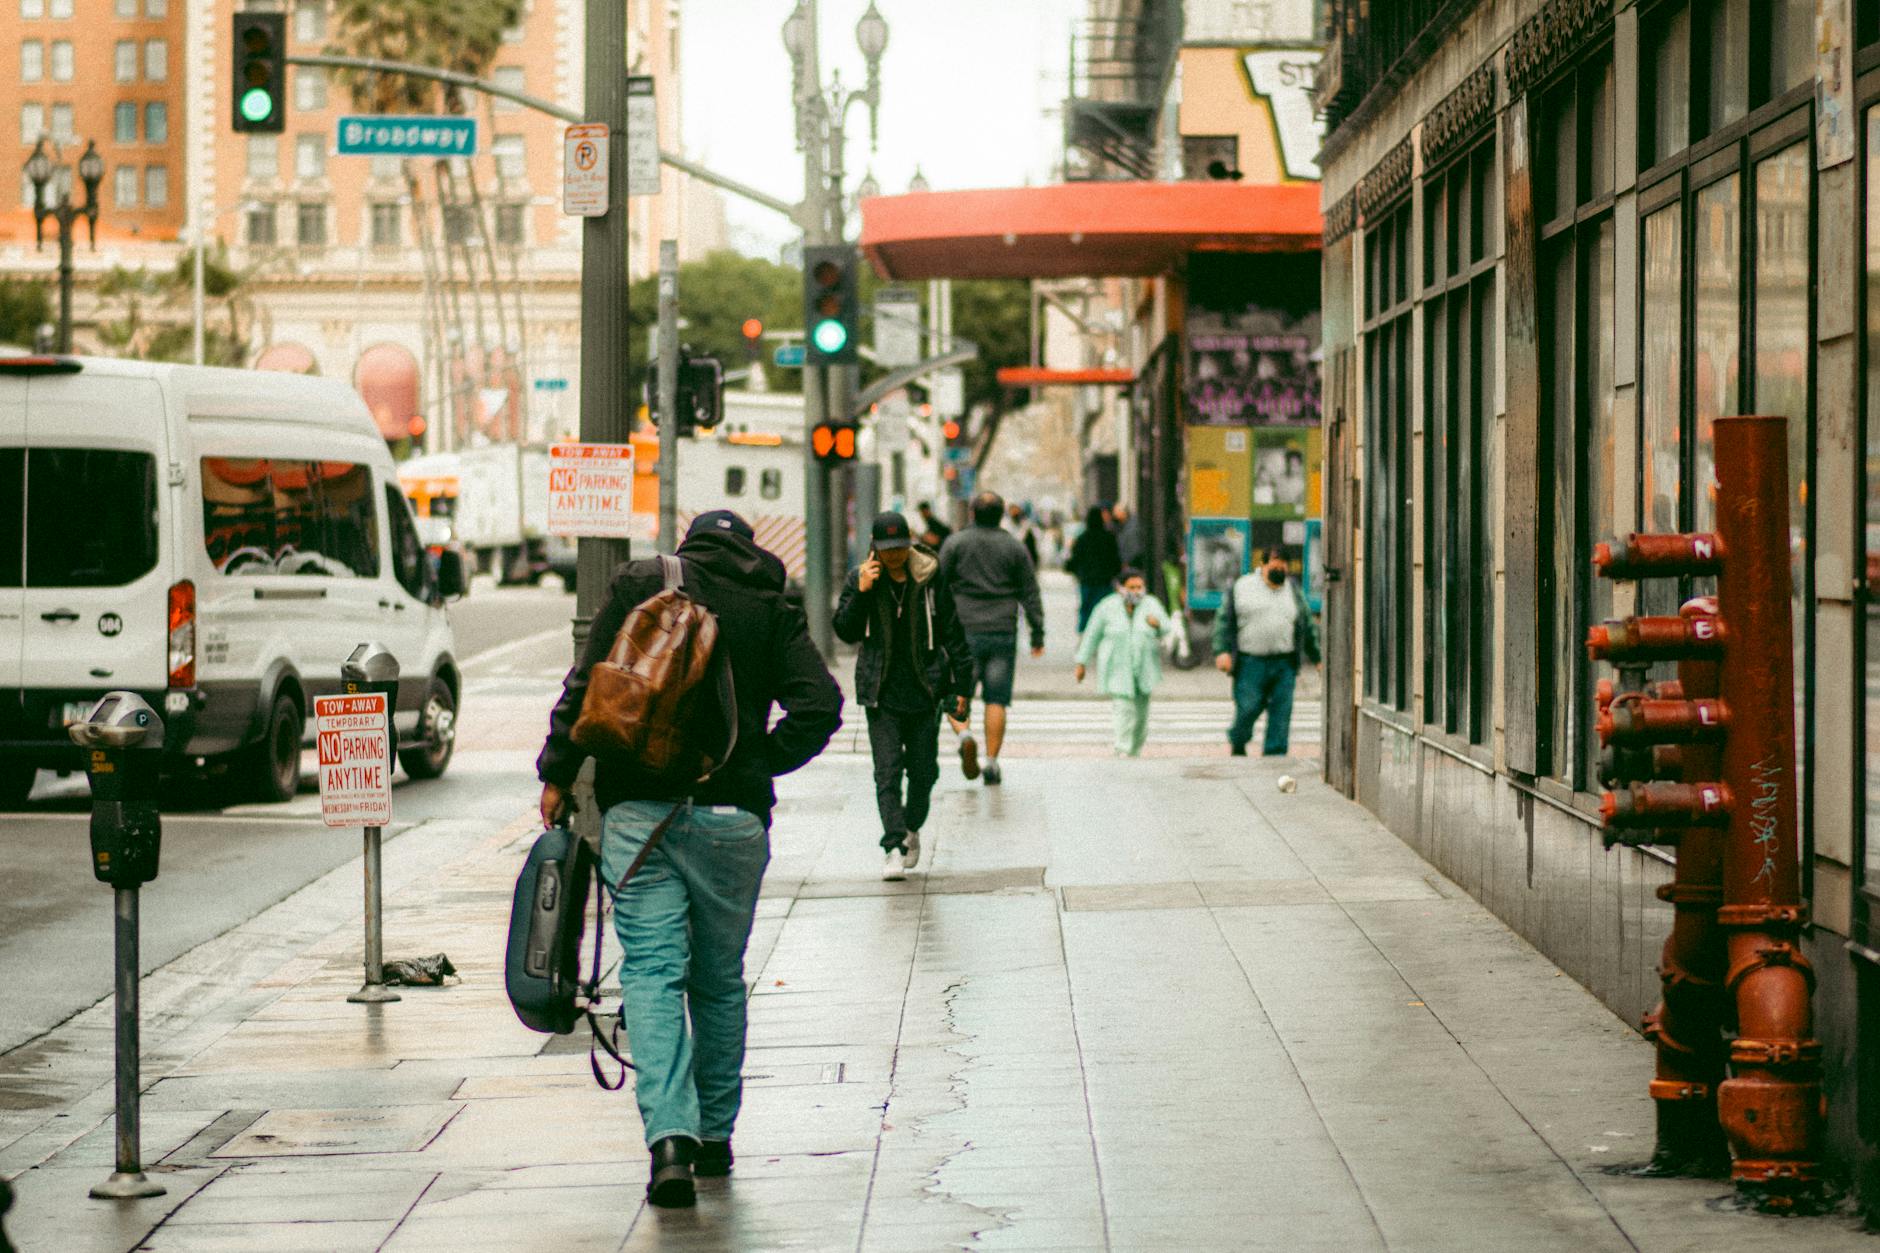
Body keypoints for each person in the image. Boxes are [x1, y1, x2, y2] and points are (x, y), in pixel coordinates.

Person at [537, 510, 842, 1209]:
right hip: (733, 820)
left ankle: (668, 1140)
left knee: (649, 970)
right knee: (718, 979)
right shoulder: (772, 604)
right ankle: (714, 1135)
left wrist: (557, 771)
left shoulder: (645, 583)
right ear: (749, 551)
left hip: (639, 814)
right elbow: (819, 703)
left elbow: (585, 685)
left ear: (690, 548)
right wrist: (757, 759)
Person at [834, 511, 973, 881]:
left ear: (909, 543)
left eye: (899, 548)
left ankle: (911, 827)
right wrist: (861, 592)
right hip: (881, 693)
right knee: (887, 772)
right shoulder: (862, 578)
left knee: (924, 772)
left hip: (925, 689)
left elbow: (953, 633)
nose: (893, 556)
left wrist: (963, 687)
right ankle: (893, 845)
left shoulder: (929, 577)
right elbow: (845, 631)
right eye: (886, 549)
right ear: (874, 547)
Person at [939, 491, 1046, 786]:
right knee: (997, 699)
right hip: (1002, 630)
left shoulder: (955, 544)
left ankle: (964, 736)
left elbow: (938, 585)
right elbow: (1029, 591)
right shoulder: (1013, 547)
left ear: (972, 513)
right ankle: (992, 761)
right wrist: (1037, 632)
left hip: (962, 631)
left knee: (957, 694)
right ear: (1001, 515)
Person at [1212, 547, 1319, 757]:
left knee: (1281, 712)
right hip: (1250, 662)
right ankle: (1238, 740)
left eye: (1285, 563)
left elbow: (1306, 625)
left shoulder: (1293, 590)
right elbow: (1223, 620)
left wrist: (1317, 657)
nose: (1280, 566)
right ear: (1263, 564)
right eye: (1275, 561)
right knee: (1248, 708)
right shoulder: (1243, 587)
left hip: (1284, 664)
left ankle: (1275, 756)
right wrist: (1221, 651)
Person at [1075, 568, 1178, 757]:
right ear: (1120, 588)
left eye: (1140, 587)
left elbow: (1167, 628)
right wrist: (1081, 662)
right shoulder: (1106, 607)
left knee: (1141, 717)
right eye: (1132, 587)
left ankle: (1135, 751)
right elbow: (1092, 634)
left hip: (1144, 668)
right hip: (1118, 668)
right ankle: (1122, 749)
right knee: (1124, 710)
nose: (1137, 591)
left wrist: (1159, 624)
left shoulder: (1151, 604)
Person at [1065, 505, 1122, 633]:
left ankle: (1085, 634)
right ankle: (1104, 632)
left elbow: (1074, 560)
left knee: (1086, 609)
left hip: (1087, 581)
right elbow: (1115, 560)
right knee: (1105, 609)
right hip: (1105, 582)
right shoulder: (1109, 537)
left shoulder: (1082, 538)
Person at [1003, 501, 1040, 568]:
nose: (1014, 512)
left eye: (1016, 510)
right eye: (1012, 511)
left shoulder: (1028, 526)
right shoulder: (1005, 524)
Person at [1111, 502, 1144, 569]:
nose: (1114, 514)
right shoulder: (1120, 526)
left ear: (1123, 512)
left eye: (1116, 511)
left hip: (1133, 564)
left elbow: (1134, 548)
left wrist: (1128, 563)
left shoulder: (1132, 527)